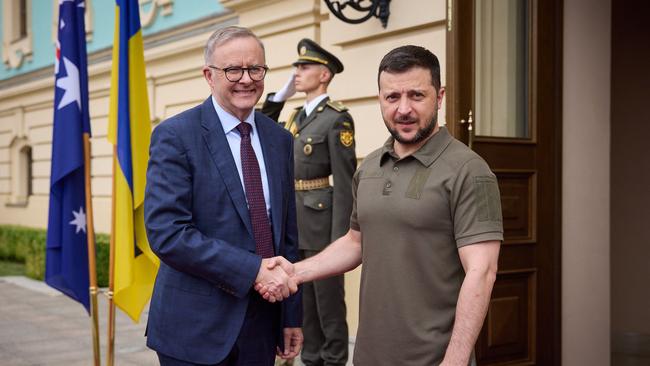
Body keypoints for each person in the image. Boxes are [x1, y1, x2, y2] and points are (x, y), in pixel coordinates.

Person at [259, 45, 503, 365]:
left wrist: (455, 359)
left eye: (416, 95)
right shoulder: (370, 167)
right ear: (380, 100)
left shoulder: (470, 171)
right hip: (368, 354)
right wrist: (295, 271)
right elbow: (355, 242)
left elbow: (482, 271)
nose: (403, 109)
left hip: (432, 358)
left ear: (439, 96)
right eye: (392, 97)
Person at [144, 26, 303, 366]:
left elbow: (287, 235)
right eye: (233, 69)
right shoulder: (176, 136)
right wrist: (253, 271)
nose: (246, 79)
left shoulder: (280, 139)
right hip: (194, 330)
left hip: (262, 326)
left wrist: (290, 314)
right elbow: (168, 234)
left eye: (255, 69)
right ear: (209, 75)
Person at [261, 38, 355, 366]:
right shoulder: (296, 115)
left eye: (304, 67)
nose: (297, 73)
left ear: (324, 75)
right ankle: (312, 359)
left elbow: (345, 183)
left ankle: (335, 360)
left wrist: (342, 238)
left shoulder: (336, 118)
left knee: (329, 305)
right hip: (295, 221)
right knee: (304, 306)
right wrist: (278, 98)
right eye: (296, 67)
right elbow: (263, 128)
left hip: (323, 222)